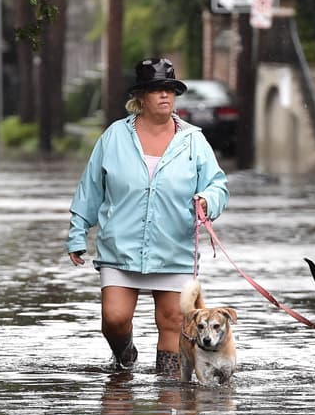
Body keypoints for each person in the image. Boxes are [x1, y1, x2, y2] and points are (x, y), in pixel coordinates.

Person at [67, 57, 230, 376]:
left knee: (172, 324)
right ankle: (125, 355)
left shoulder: (193, 140)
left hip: (174, 249)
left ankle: (167, 398)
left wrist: (207, 200)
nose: (165, 96)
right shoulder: (114, 137)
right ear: (140, 97)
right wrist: (77, 232)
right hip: (120, 248)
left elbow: (217, 184)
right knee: (113, 319)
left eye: (170, 89)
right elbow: (90, 188)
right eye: (157, 90)